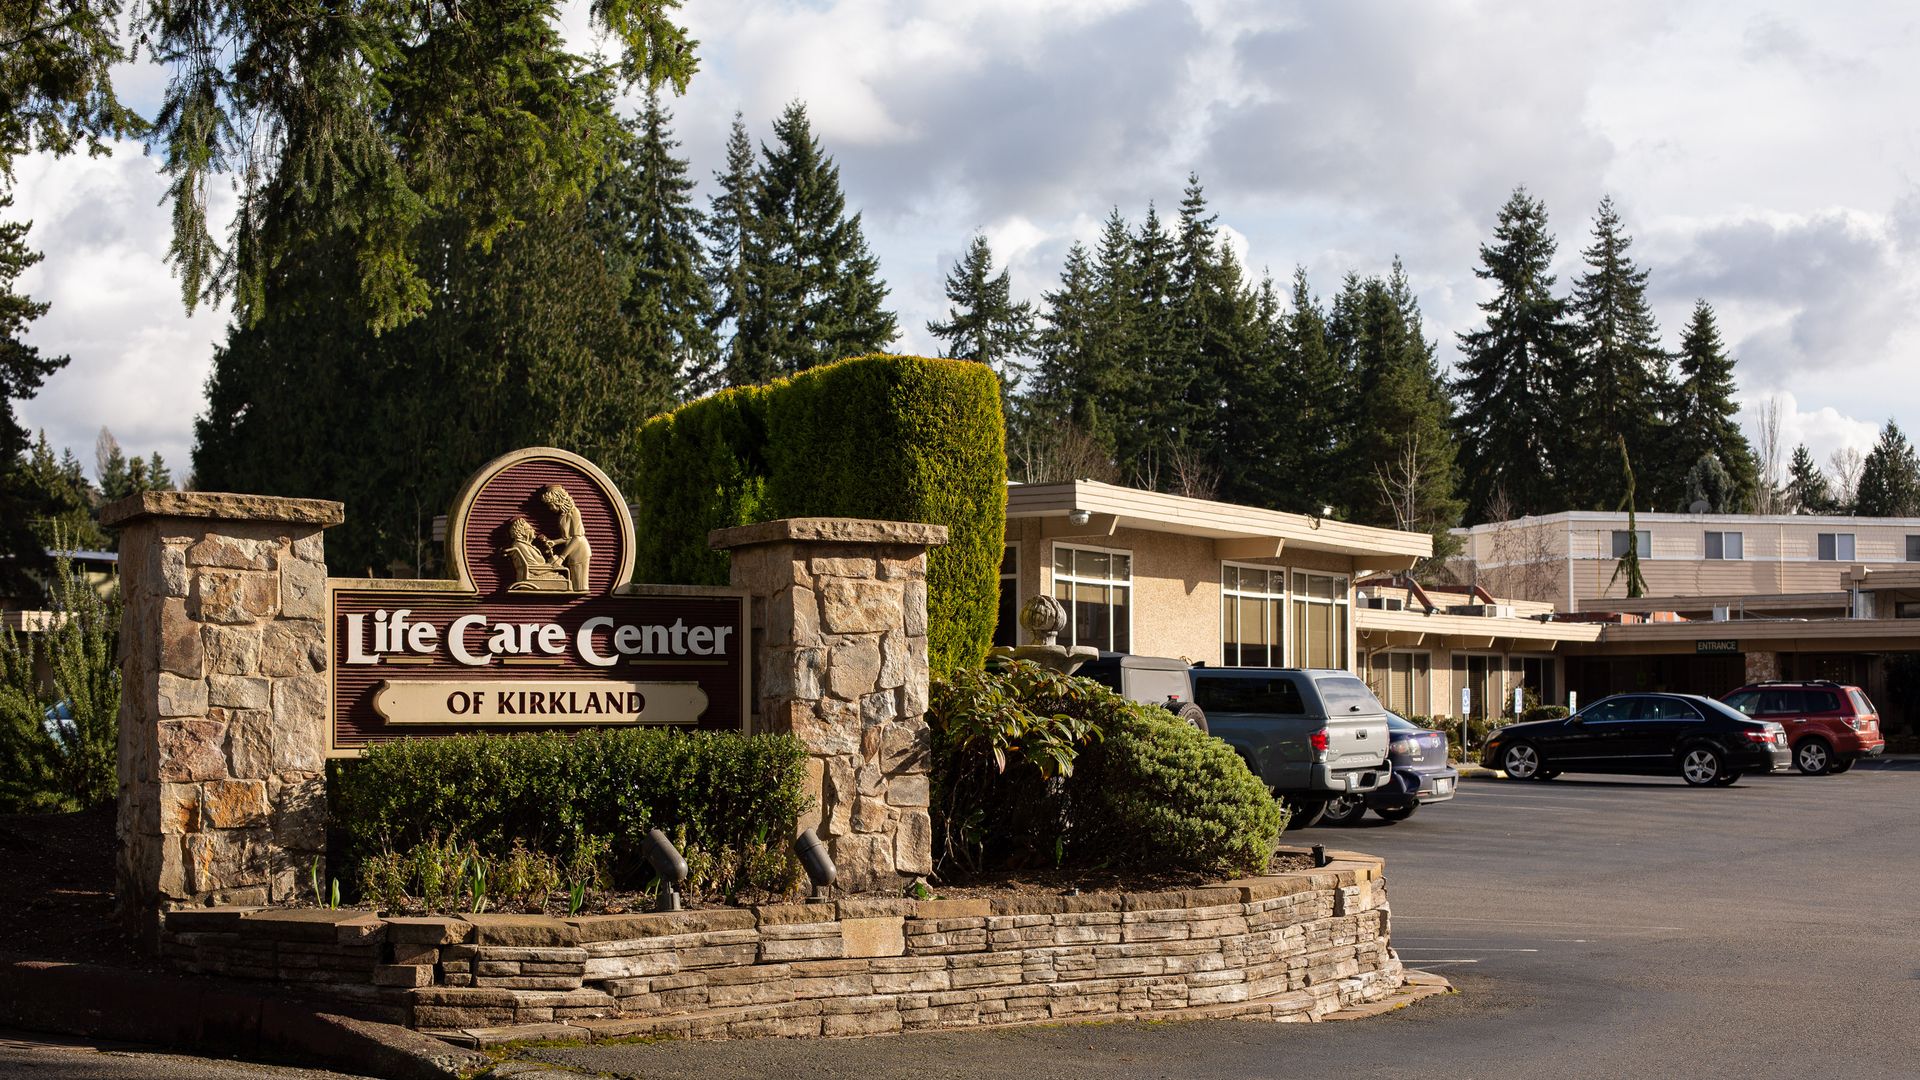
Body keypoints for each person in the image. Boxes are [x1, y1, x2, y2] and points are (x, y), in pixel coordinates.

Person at [539, 484, 592, 592]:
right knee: (575, 586)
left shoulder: (574, 512)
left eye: (551, 504)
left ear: (558, 500)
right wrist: (554, 542)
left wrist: (561, 558)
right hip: (571, 551)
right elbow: (568, 537)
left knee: (580, 587)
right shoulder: (563, 515)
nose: (550, 508)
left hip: (580, 551)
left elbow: (577, 537)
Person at [504, 517, 569, 591]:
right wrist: (552, 564)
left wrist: (550, 558)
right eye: (530, 529)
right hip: (532, 577)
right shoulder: (520, 546)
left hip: (538, 574)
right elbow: (535, 570)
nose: (534, 530)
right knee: (562, 580)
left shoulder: (527, 545)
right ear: (522, 533)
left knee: (562, 578)